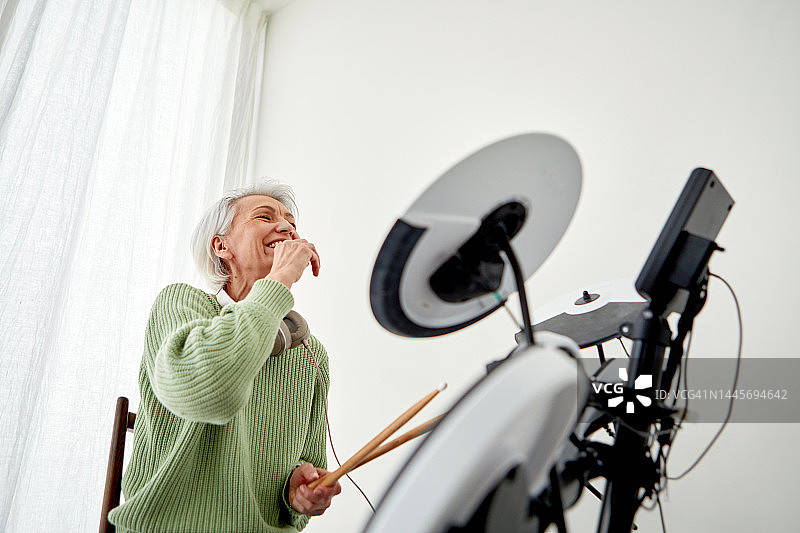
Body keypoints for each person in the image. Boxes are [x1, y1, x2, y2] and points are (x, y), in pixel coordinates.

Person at [108, 181, 341, 532]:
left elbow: (307, 468)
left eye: (291, 223)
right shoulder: (181, 305)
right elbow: (210, 395)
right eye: (265, 217)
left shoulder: (311, 354)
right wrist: (279, 279)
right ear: (221, 246)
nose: (286, 227)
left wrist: (299, 495)